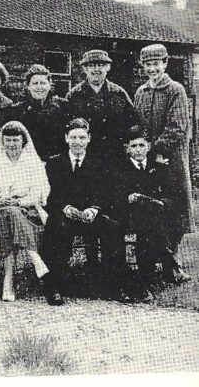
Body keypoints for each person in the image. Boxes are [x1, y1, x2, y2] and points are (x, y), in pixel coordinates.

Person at [40, 118, 121, 304]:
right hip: (65, 214)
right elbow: (49, 194)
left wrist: (94, 208)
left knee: (113, 228)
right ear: (66, 138)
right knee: (55, 229)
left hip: (89, 215)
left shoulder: (99, 163)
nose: (78, 141)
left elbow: (105, 192)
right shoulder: (55, 163)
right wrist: (65, 207)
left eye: (82, 137)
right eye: (74, 137)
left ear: (89, 139)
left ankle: (110, 284)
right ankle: (55, 286)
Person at [134, 43, 193, 283]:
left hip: (172, 161)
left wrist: (154, 148)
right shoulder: (140, 92)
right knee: (152, 209)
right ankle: (155, 260)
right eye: (148, 64)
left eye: (156, 64)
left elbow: (177, 127)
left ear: (165, 64)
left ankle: (174, 265)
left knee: (175, 210)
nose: (152, 69)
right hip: (147, 161)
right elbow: (137, 124)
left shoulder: (175, 90)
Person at [0, 121, 52, 302]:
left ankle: (8, 281)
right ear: (2, 142)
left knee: (13, 214)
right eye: (7, 140)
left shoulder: (31, 162)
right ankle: (34, 257)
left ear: (23, 142)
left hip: (27, 210)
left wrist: (20, 201)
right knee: (10, 213)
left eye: (16, 140)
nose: (12, 144)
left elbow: (40, 192)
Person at [111, 126, 180, 301]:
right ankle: (167, 261)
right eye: (133, 146)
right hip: (129, 216)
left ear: (148, 147)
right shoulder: (120, 170)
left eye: (141, 145)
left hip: (155, 217)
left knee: (150, 220)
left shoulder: (159, 168)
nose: (138, 150)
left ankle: (143, 283)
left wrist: (162, 202)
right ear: (127, 149)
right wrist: (128, 197)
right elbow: (114, 198)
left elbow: (172, 195)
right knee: (148, 221)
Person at [66, 50, 137, 163]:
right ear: (85, 69)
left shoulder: (119, 93)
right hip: (85, 157)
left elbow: (133, 124)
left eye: (101, 65)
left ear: (108, 68)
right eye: (92, 65)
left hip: (114, 156)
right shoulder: (74, 95)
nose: (96, 69)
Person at [7, 64, 70, 162]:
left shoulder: (63, 106)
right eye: (35, 83)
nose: (39, 87)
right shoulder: (17, 110)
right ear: (28, 86)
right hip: (28, 163)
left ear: (49, 85)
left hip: (57, 164)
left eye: (43, 83)